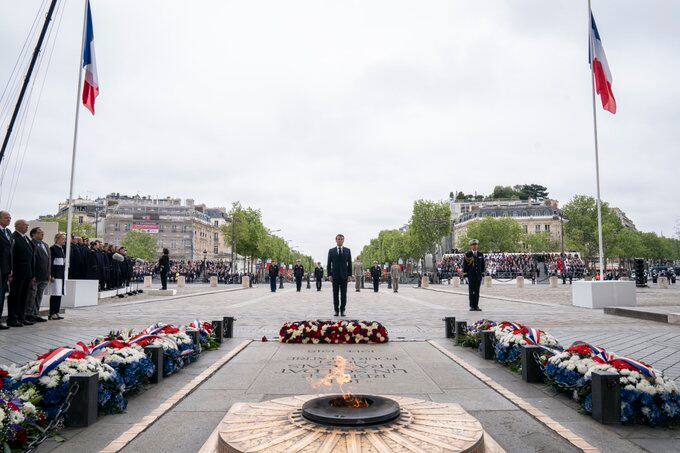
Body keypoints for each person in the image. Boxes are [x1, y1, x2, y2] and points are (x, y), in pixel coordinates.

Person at [8, 220, 34, 327]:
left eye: (28, 225)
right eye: (25, 225)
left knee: (24, 296)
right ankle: (12, 318)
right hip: (18, 272)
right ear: (17, 226)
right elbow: (12, 256)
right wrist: (12, 271)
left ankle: (21, 317)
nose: (27, 227)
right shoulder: (14, 237)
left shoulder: (26, 238)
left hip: (27, 272)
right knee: (15, 296)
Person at [26, 227, 49, 323]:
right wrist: (33, 275)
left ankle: (35, 314)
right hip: (36, 276)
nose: (42, 234)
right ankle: (28, 314)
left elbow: (49, 261)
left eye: (43, 232)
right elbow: (32, 261)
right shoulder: (31, 244)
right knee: (31, 296)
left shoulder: (45, 245)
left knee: (39, 296)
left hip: (44, 276)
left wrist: (49, 274)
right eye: (40, 233)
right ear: (33, 234)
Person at [327, 233, 351, 317]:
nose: (340, 240)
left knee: (344, 294)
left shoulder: (348, 250)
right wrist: (329, 275)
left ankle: (343, 310)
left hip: (344, 275)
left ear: (343, 240)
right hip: (335, 276)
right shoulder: (331, 250)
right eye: (338, 239)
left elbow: (350, 263)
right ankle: (336, 310)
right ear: (336, 240)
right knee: (335, 294)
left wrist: (349, 275)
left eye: (341, 239)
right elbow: (329, 263)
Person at [462, 239, 485, 311]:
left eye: (476, 245)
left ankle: (476, 305)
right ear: (470, 246)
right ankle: (472, 306)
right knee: (471, 291)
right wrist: (465, 275)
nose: (475, 246)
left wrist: (482, 273)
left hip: (478, 276)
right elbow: (465, 265)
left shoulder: (480, 254)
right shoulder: (467, 254)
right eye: (473, 245)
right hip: (471, 275)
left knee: (477, 291)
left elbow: (482, 265)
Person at [49, 233, 66, 320]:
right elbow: (51, 263)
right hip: (56, 275)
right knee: (55, 294)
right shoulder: (53, 248)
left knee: (59, 294)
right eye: (62, 238)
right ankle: (52, 313)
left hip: (61, 274)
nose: (64, 240)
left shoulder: (61, 249)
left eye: (64, 238)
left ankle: (56, 311)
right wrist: (51, 275)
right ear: (57, 239)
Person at [0, 211, 12, 330]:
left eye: (10, 218)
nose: (9, 219)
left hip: (6, 270)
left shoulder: (8, 232)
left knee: (1, 296)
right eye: (6, 217)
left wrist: (10, 269)